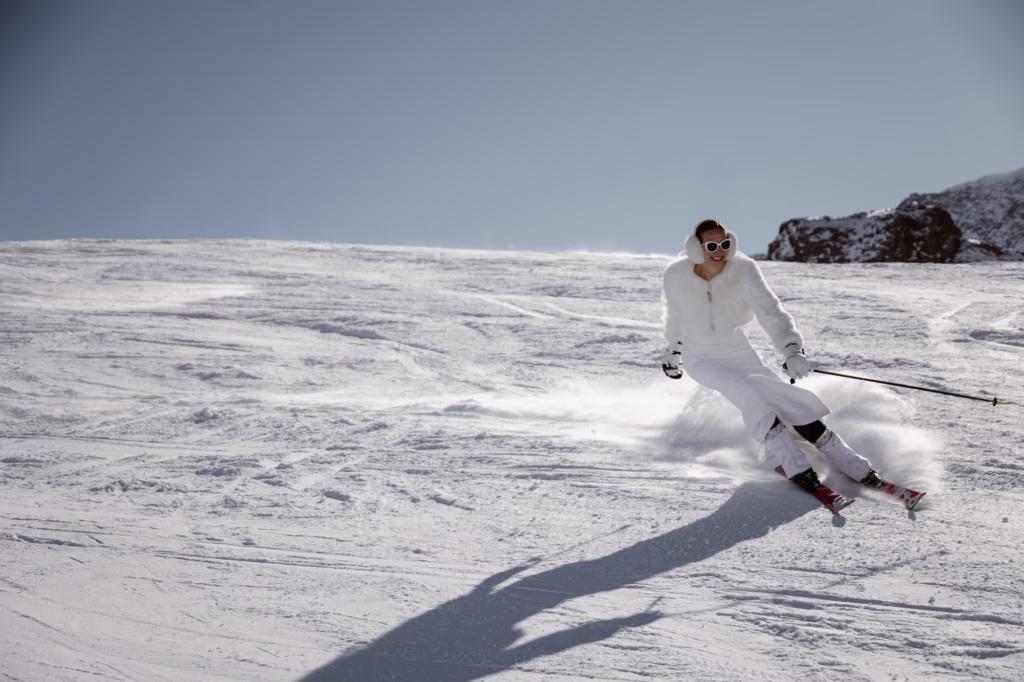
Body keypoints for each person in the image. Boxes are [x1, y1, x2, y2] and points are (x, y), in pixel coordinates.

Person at [660, 219, 919, 511]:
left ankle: (856, 467)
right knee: (750, 390)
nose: (720, 251)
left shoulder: (743, 271)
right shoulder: (677, 275)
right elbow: (675, 315)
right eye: (711, 246)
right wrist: (673, 350)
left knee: (783, 396)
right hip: (701, 356)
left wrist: (792, 350)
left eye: (725, 243)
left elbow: (771, 312)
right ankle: (797, 467)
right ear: (696, 248)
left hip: (737, 348)